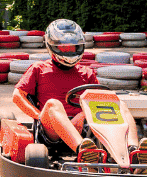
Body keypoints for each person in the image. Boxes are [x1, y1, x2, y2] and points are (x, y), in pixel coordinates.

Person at [14, 19, 100, 155]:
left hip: (82, 127)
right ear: (52, 46)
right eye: (64, 47)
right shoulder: (39, 68)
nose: (69, 50)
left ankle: (130, 152)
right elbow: (17, 96)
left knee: (119, 104)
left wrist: (83, 115)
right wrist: (39, 116)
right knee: (53, 104)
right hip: (51, 130)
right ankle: (83, 151)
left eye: (72, 47)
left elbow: (100, 102)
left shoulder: (87, 72)